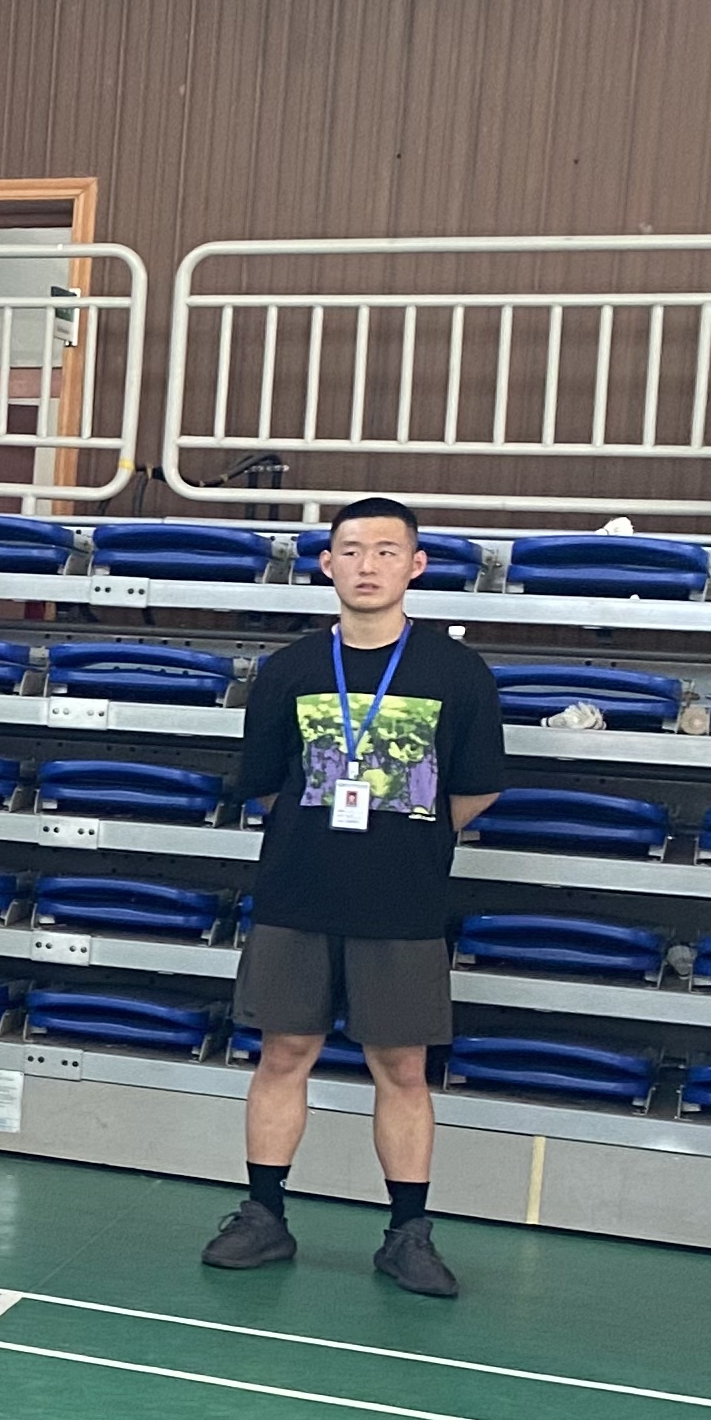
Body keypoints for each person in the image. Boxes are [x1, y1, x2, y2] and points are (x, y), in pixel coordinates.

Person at [201, 497, 508, 1298]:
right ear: (326, 563)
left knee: (402, 1067)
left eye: (385, 551)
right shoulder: (291, 670)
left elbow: (475, 788)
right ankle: (264, 1215)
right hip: (297, 893)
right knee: (283, 1054)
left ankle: (408, 1232)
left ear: (416, 566)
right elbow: (266, 783)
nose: (367, 565)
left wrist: (405, 837)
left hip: (402, 902)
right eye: (350, 550)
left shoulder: (456, 672)